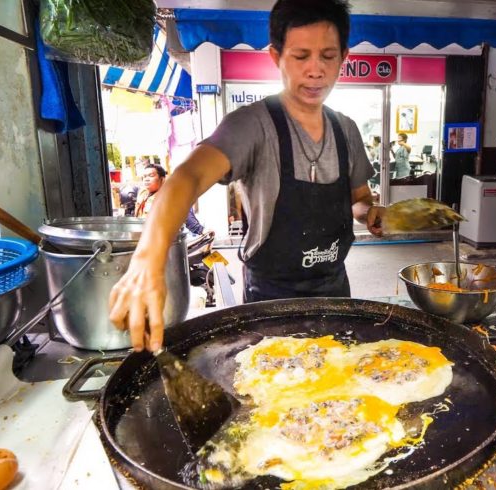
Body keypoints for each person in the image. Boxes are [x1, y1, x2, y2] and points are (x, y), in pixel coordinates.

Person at [108, 0, 385, 352]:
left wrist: (370, 212)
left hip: (334, 291)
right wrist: (149, 259)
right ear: (276, 56)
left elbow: (358, 199)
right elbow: (188, 176)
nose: (316, 70)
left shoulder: (346, 130)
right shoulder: (251, 125)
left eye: (328, 56)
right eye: (301, 56)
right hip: (269, 299)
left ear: (343, 56)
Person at [135, 163, 205, 235]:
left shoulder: (172, 196)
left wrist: (201, 231)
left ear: (162, 179)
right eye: (144, 177)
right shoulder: (143, 194)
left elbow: (187, 218)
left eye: (151, 176)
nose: (146, 179)